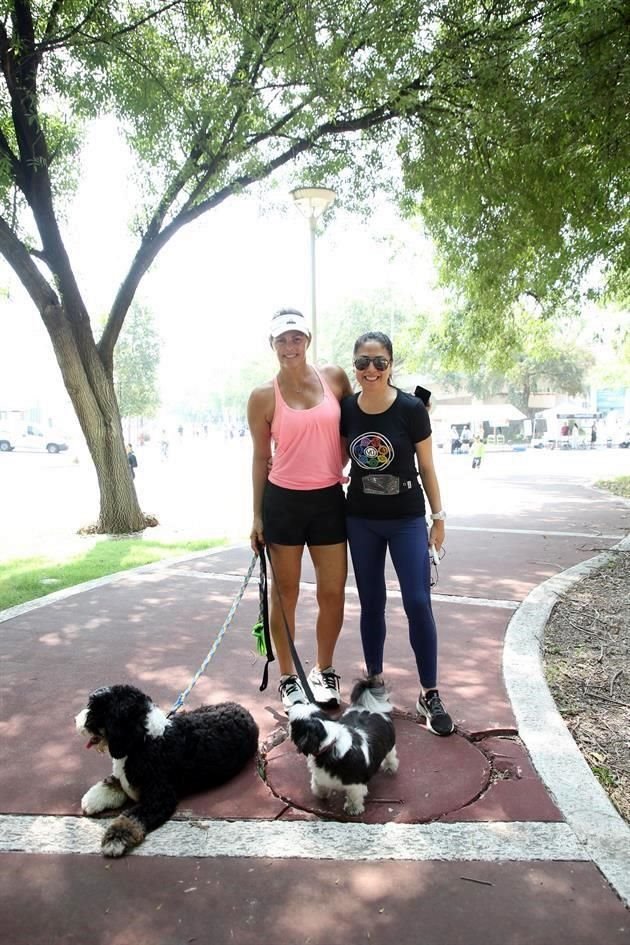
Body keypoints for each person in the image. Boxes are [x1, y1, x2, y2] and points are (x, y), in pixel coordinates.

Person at [340, 331, 454, 736]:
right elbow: (335, 460)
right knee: (371, 603)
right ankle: (374, 687)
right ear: (354, 366)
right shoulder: (346, 410)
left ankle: (430, 693)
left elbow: (428, 468)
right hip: (361, 520)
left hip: (406, 517)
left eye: (379, 362)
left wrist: (438, 518)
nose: (371, 370)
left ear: (391, 365)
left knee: (418, 602)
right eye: (362, 363)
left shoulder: (410, 409)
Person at [247, 308, 353, 711]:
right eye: (281, 340)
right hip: (283, 503)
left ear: (308, 339)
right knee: (286, 592)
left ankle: (324, 671)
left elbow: (357, 423)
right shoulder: (262, 396)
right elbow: (260, 459)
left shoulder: (334, 379)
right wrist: (256, 515)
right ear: (271, 345)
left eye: (296, 338)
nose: (289, 347)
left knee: (332, 592)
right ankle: (289, 678)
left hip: (328, 500)